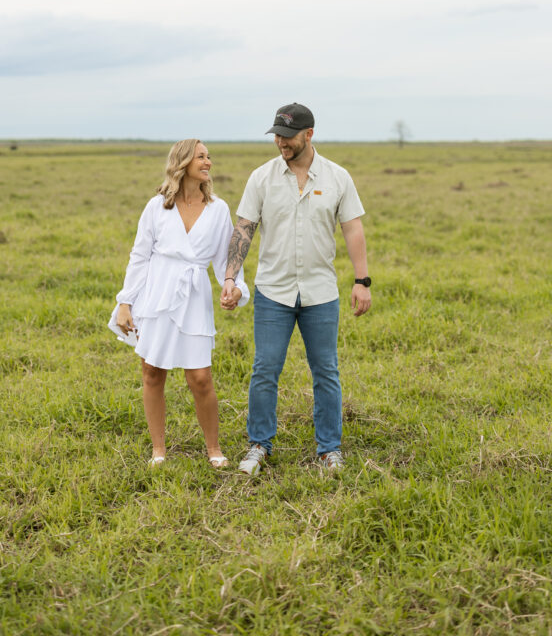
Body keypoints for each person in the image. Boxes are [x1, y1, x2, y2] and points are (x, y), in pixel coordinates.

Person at [220, 103, 371, 474]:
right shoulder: (262, 177)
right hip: (274, 291)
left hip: (321, 293)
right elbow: (244, 229)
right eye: (277, 135)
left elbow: (353, 228)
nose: (280, 142)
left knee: (326, 371)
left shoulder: (337, 177)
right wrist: (229, 277)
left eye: (287, 136)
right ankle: (259, 445)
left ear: (309, 134)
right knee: (264, 369)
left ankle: (329, 450)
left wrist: (361, 280)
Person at [108, 139, 249, 467]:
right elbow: (140, 256)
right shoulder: (156, 207)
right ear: (183, 162)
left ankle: (213, 449)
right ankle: (159, 450)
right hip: (156, 296)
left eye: (209, 156)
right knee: (152, 372)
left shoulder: (218, 210)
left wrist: (235, 287)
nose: (208, 162)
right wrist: (125, 302)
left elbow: (225, 258)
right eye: (201, 156)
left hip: (194, 298)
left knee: (200, 377)